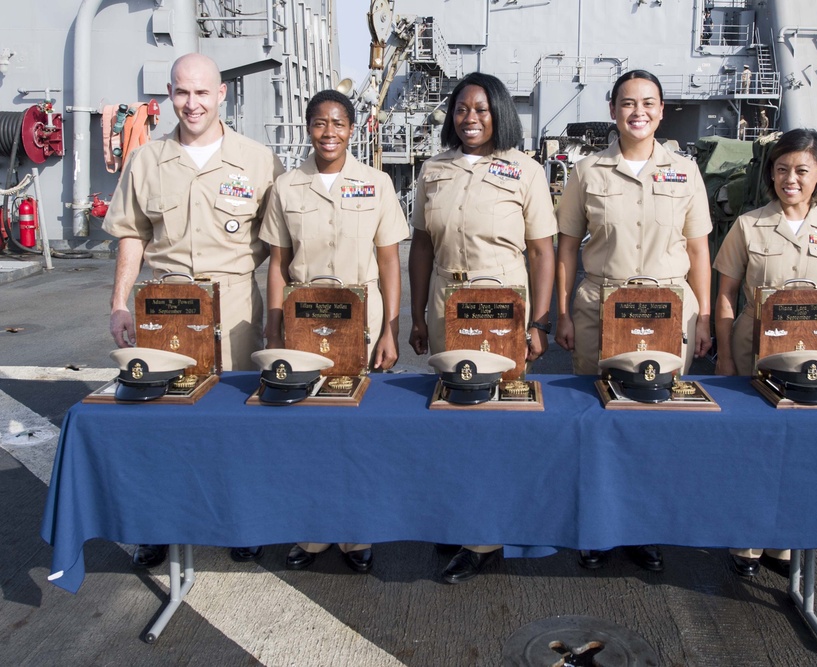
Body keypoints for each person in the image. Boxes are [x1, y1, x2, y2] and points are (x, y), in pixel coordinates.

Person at [104, 53, 283, 569]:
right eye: (182, 93)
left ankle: (241, 520)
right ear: (169, 94)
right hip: (165, 305)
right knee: (159, 422)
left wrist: (278, 318)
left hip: (234, 307)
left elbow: (281, 248)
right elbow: (132, 236)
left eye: (202, 92)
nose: (192, 103)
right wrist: (120, 303)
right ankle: (158, 524)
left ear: (222, 94)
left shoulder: (258, 161)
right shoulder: (147, 161)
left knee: (237, 421)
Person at [554, 70, 713, 572]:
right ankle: (595, 528)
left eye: (648, 103)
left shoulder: (685, 172)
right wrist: (560, 310)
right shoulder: (587, 173)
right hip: (600, 307)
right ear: (613, 110)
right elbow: (565, 246)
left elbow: (698, 249)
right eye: (627, 102)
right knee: (596, 423)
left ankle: (642, 526)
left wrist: (704, 315)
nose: (637, 112)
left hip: (668, 312)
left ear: (662, 111)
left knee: (654, 422)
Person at [408, 72, 557, 584]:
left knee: (497, 420)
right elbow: (422, 245)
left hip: (503, 307)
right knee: (451, 414)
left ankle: (487, 536)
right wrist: (416, 314)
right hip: (448, 303)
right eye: (461, 110)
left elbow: (542, 250)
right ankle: (458, 515)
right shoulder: (434, 169)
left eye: (481, 110)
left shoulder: (526, 171)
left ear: (499, 114)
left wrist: (539, 321)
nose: (470, 119)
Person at [260, 89, 408, 573]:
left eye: (338, 123)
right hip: (303, 325)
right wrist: (273, 328)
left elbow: (390, 262)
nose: (329, 132)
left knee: (359, 429)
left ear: (352, 128)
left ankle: (356, 531)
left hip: (360, 323)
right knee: (307, 429)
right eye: (320, 123)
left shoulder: (377, 183)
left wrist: (391, 328)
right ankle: (314, 530)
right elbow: (278, 264)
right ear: (308, 128)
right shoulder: (287, 188)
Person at [713, 128, 817, 578]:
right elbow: (726, 294)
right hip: (752, 347)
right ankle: (746, 540)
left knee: (799, 450)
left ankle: (784, 541)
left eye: (800, 170)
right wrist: (724, 355)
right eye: (780, 169)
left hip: (813, 353)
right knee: (751, 446)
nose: (789, 178)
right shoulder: (749, 225)